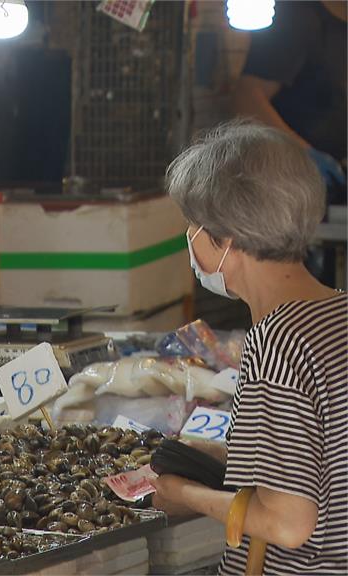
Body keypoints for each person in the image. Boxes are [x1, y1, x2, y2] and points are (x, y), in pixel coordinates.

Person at [150, 122, 346, 575]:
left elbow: (287, 522)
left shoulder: (278, 342)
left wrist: (182, 494)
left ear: (225, 238)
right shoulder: (338, 313)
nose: (190, 237)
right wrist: (229, 458)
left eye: (193, 225)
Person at [233, 0, 346, 191]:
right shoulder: (298, 16)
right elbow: (245, 97)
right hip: (286, 186)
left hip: (332, 185)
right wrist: (303, 153)